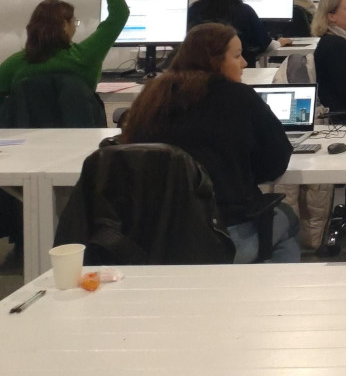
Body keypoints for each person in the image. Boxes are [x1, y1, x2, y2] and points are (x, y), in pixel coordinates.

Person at [119, 23, 300, 263]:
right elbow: (275, 163)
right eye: (237, 56)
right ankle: (272, 297)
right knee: (287, 219)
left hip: (157, 237)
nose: (245, 62)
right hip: (226, 235)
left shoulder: (152, 98)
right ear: (215, 61)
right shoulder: (240, 98)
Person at [0, 0, 129, 98]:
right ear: (64, 25)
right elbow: (119, 15)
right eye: (74, 21)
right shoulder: (85, 56)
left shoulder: (15, 64)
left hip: (26, 121)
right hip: (81, 121)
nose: (75, 26)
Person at [188, 0, 275, 65]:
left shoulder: (194, 10)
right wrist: (279, 43)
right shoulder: (245, 11)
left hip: (200, 68)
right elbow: (265, 44)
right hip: (241, 69)